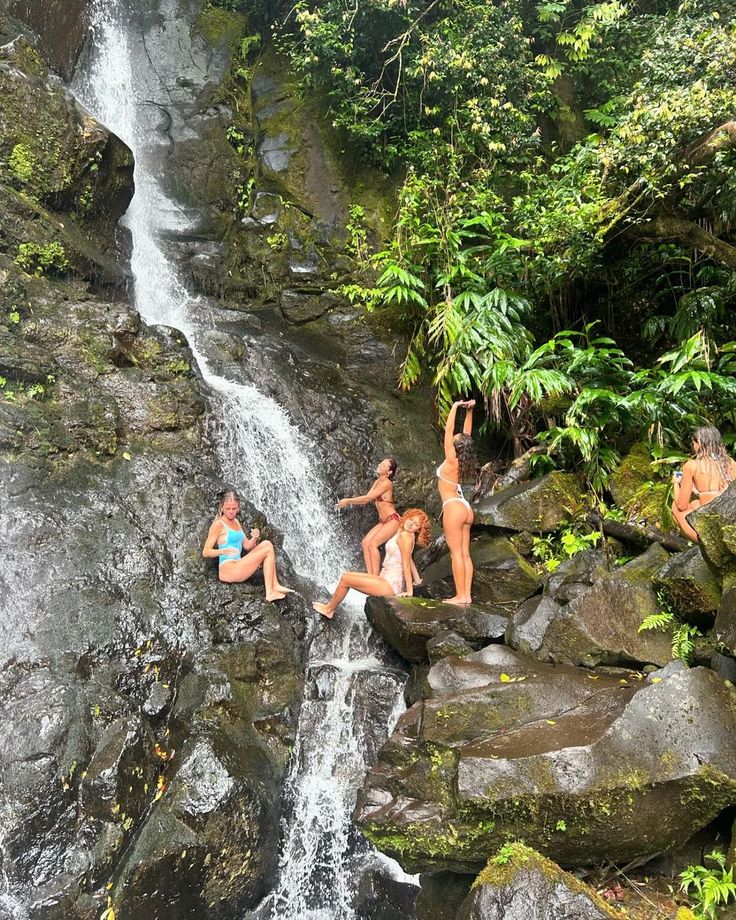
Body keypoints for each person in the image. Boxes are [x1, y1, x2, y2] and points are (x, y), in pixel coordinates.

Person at [313, 508, 432, 619]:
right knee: (346, 576)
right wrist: (417, 579)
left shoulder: (406, 536)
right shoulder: (404, 533)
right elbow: (409, 558)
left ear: (419, 530)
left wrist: (410, 592)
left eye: (416, 524)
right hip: (385, 579)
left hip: (389, 585)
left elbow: (406, 563)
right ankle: (329, 607)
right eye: (411, 519)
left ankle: (329, 610)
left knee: (345, 579)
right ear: (407, 517)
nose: (411, 524)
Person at [202, 490, 293, 601]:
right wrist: (223, 551)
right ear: (222, 508)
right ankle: (270, 593)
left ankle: (275, 584)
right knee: (267, 550)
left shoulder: (236, 522)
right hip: (228, 570)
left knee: (267, 544)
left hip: (238, 564)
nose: (231, 512)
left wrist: (254, 537)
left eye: (234, 509)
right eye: (228, 509)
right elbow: (206, 551)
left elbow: (247, 546)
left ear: (238, 508)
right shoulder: (218, 525)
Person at [438, 399, 478, 605]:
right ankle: (467, 595)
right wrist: (469, 413)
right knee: (465, 554)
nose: (454, 436)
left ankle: (460, 595)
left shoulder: (452, 458)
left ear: (456, 445)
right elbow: (467, 435)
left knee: (456, 554)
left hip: (453, 507)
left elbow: (448, 430)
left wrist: (454, 407)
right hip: (465, 507)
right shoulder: (463, 459)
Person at [335, 458, 403, 576]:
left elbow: (368, 498)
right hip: (383, 521)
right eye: (380, 463)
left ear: (389, 471)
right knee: (366, 542)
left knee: (373, 544)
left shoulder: (387, 483)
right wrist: (348, 502)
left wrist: (348, 501)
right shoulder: (378, 481)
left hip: (392, 520)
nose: (379, 465)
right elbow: (366, 499)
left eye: (383, 465)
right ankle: (371, 575)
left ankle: (376, 578)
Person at [672, 426, 736, 542]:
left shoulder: (692, 465)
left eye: (694, 443)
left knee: (675, 507)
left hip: (712, 525)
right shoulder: (731, 463)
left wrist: (676, 484)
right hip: (731, 518)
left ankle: (704, 542)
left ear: (700, 443)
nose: (693, 446)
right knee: (696, 502)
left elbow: (682, 505)